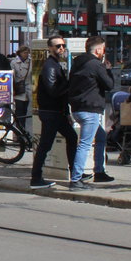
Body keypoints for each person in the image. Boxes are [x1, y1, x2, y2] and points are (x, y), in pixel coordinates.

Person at [29, 35, 79, 189]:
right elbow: (52, 90)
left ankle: (75, 172)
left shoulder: (55, 64)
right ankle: (36, 178)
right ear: (50, 48)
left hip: (56, 112)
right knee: (45, 145)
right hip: (51, 112)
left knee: (71, 137)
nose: (61, 48)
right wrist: (69, 86)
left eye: (63, 46)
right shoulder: (50, 65)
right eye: (58, 46)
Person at [66, 35, 116, 189]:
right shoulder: (96, 65)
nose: (104, 52)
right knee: (85, 144)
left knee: (101, 137)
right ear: (98, 49)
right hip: (90, 109)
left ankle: (99, 172)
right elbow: (109, 85)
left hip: (78, 108)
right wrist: (108, 70)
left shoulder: (77, 63)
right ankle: (76, 179)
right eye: (103, 49)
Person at [10, 44, 32, 132]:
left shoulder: (31, 61)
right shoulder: (14, 62)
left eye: (27, 53)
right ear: (20, 53)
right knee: (19, 110)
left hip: (28, 88)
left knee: (27, 111)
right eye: (24, 53)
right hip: (19, 89)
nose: (26, 54)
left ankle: (24, 129)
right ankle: (19, 129)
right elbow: (12, 76)